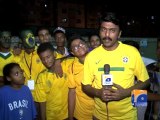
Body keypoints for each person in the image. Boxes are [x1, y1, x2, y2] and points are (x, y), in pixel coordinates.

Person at [82, 12, 150, 120]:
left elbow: (145, 81)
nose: (107, 35)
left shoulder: (132, 52)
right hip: (99, 116)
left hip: (127, 116)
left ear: (119, 34)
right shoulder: (91, 56)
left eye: (112, 30)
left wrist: (126, 93)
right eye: (103, 29)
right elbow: (85, 86)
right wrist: (98, 93)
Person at [34, 42, 74, 120]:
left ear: (54, 54)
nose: (46, 61)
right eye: (43, 58)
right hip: (51, 116)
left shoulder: (65, 65)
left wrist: (58, 60)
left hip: (67, 115)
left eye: (48, 57)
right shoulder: (41, 77)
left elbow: (76, 55)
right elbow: (42, 102)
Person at [68, 35, 94, 120]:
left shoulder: (98, 59)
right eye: (75, 47)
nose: (79, 46)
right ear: (72, 52)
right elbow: (72, 92)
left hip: (100, 113)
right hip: (81, 114)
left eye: (81, 43)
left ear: (87, 44)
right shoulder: (71, 67)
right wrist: (70, 117)